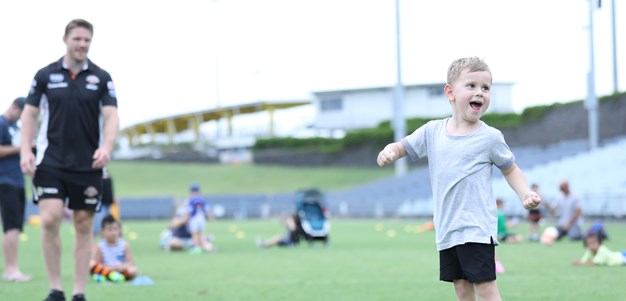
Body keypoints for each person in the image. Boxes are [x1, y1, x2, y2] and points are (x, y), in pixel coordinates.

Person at [377, 57, 541, 301]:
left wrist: (525, 192)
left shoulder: (490, 137)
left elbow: (510, 169)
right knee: (462, 290)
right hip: (447, 229)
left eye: (485, 88)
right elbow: (401, 146)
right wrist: (389, 151)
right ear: (450, 92)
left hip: (476, 228)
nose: (480, 93)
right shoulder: (432, 131)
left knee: (486, 290)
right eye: (472, 86)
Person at [19, 19, 119, 301]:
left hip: (88, 164)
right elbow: (30, 114)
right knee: (49, 219)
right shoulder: (45, 75)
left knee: (84, 224)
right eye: (77, 39)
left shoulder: (101, 78)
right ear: (65, 39)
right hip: (50, 161)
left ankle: (78, 292)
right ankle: (55, 289)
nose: (82, 45)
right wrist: (26, 150)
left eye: (87, 40)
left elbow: (111, 117)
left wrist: (107, 147)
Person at [0, 97, 31, 282]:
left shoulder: (16, 128)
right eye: (21, 113)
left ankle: (13, 267)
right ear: (14, 107)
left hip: (19, 181)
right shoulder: (1, 123)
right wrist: (22, 147)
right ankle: (10, 270)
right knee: (10, 226)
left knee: (16, 227)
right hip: (6, 181)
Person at [90, 215, 137, 282]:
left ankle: (115, 278)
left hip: (120, 270)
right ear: (103, 231)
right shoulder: (100, 246)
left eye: (115, 229)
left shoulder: (124, 245)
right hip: (107, 270)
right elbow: (97, 262)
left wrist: (121, 267)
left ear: (120, 230)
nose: (113, 233)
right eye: (110, 229)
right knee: (91, 264)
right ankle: (111, 276)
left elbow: (130, 262)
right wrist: (109, 268)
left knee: (133, 270)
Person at [92, 169, 116, 236]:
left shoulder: (107, 179)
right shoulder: (99, 179)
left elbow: (110, 192)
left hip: (107, 204)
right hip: (100, 205)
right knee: (99, 221)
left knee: (106, 221)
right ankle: (97, 233)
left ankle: (103, 234)